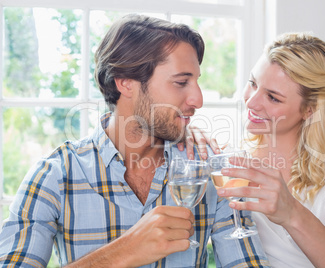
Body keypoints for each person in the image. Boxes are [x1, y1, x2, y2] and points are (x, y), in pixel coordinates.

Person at [0, 14, 270, 267]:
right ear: (125, 83)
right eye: (180, 82)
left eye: (196, 81)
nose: (197, 100)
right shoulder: (55, 175)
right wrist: (125, 251)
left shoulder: (206, 170)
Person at [186, 32, 325, 267]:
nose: (251, 102)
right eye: (253, 83)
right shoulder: (230, 163)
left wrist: (292, 213)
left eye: (273, 97)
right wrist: (185, 133)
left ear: (310, 110)